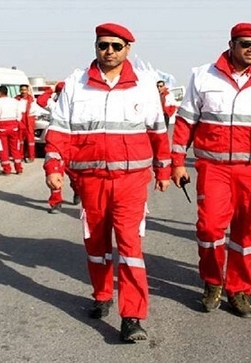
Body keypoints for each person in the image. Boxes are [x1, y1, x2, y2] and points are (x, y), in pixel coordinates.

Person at [43, 22, 171, 343]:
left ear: (128, 48)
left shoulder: (143, 85)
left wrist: (164, 170)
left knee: (130, 247)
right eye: (103, 45)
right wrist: (54, 166)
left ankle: (133, 316)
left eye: (116, 46)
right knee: (96, 244)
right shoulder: (76, 85)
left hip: (130, 181)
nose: (109, 51)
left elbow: (158, 131)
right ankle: (102, 294)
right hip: (90, 181)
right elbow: (59, 131)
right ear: (96, 47)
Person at [171, 23, 251, 318]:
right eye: (245, 43)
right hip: (214, 169)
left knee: (246, 231)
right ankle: (213, 282)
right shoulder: (203, 75)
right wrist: (176, 162)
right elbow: (186, 121)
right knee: (210, 228)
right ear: (231, 44)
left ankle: (239, 289)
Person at [36, 82, 80, 213]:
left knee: (75, 175)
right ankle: (56, 202)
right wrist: (51, 89)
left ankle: (78, 191)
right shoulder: (55, 105)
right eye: (60, 93)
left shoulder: (77, 106)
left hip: (73, 144)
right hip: (55, 144)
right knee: (53, 171)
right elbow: (41, 100)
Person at [0, 85, 23, 175]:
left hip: (1, 127)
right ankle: (18, 168)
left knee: (2, 149)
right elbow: (19, 115)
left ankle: (6, 169)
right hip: (14, 126)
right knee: (15, 148)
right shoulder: (15, 101)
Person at [17, 84, 36, 163]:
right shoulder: (16, 99)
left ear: (28, 90)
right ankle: (20, 156)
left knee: (30, 140)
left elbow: (34, 111)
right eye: (22, 90)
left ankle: (31, 156)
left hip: (29, 120)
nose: (23, 91)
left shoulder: (31, 99)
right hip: (20, 120)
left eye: (25, 90)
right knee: (20, 140)